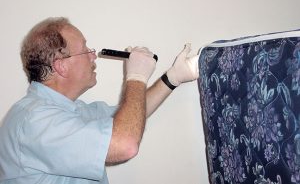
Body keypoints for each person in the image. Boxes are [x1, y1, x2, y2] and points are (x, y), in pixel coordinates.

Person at [0, 17, 199, 184]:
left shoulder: (70, 111)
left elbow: (132, 116)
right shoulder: (34, 121)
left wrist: (173, 77)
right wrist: (136, 77)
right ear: (61, 66)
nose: (93, 55)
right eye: (85, 49)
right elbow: (125, 144)